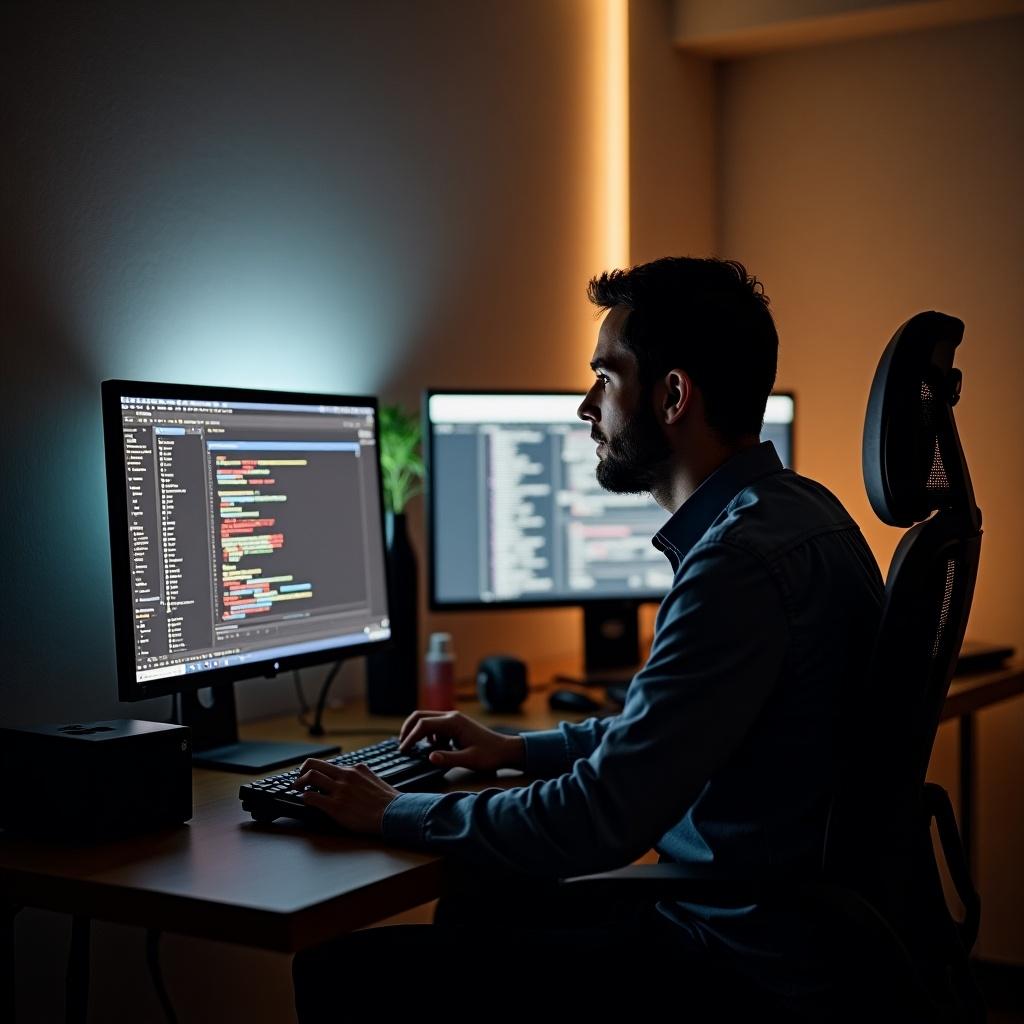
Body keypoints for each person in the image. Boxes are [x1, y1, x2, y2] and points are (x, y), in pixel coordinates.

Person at [292, 257, 883, 1019]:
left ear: (672, 395)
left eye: (605, 378)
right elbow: (674, 730)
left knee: (343, 974)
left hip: (735, 962)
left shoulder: (735, 566)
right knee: (482, 900)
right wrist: (516, 749)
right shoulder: (804, 513)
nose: (584, 406)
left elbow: (600, 817)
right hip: (786, 929)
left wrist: (390, 811)